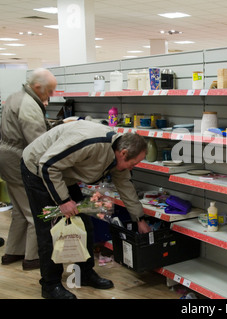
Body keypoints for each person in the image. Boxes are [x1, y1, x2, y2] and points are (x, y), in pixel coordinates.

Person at [21, 120, 151, 299]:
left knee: (85, 224)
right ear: (124, 153)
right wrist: (64, 201)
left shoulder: (117, 157)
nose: (133, 167)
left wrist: (140, 219)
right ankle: (50, 285)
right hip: (38, 169)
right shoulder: (91, 143)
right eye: (134, 163)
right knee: (50, 231)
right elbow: (47, 166)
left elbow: (126, 187)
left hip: (62, 174)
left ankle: (84, 273)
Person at [0, 68, 57, 270]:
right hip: (19, 160)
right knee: (34, 212)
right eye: (49, 91)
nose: (51, 95)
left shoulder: (16, 96)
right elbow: (38, 143)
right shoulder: (29, 105)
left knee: (18, 210)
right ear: (37, 86)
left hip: (7, 158)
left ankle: (13, 251)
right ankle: (33, 257)